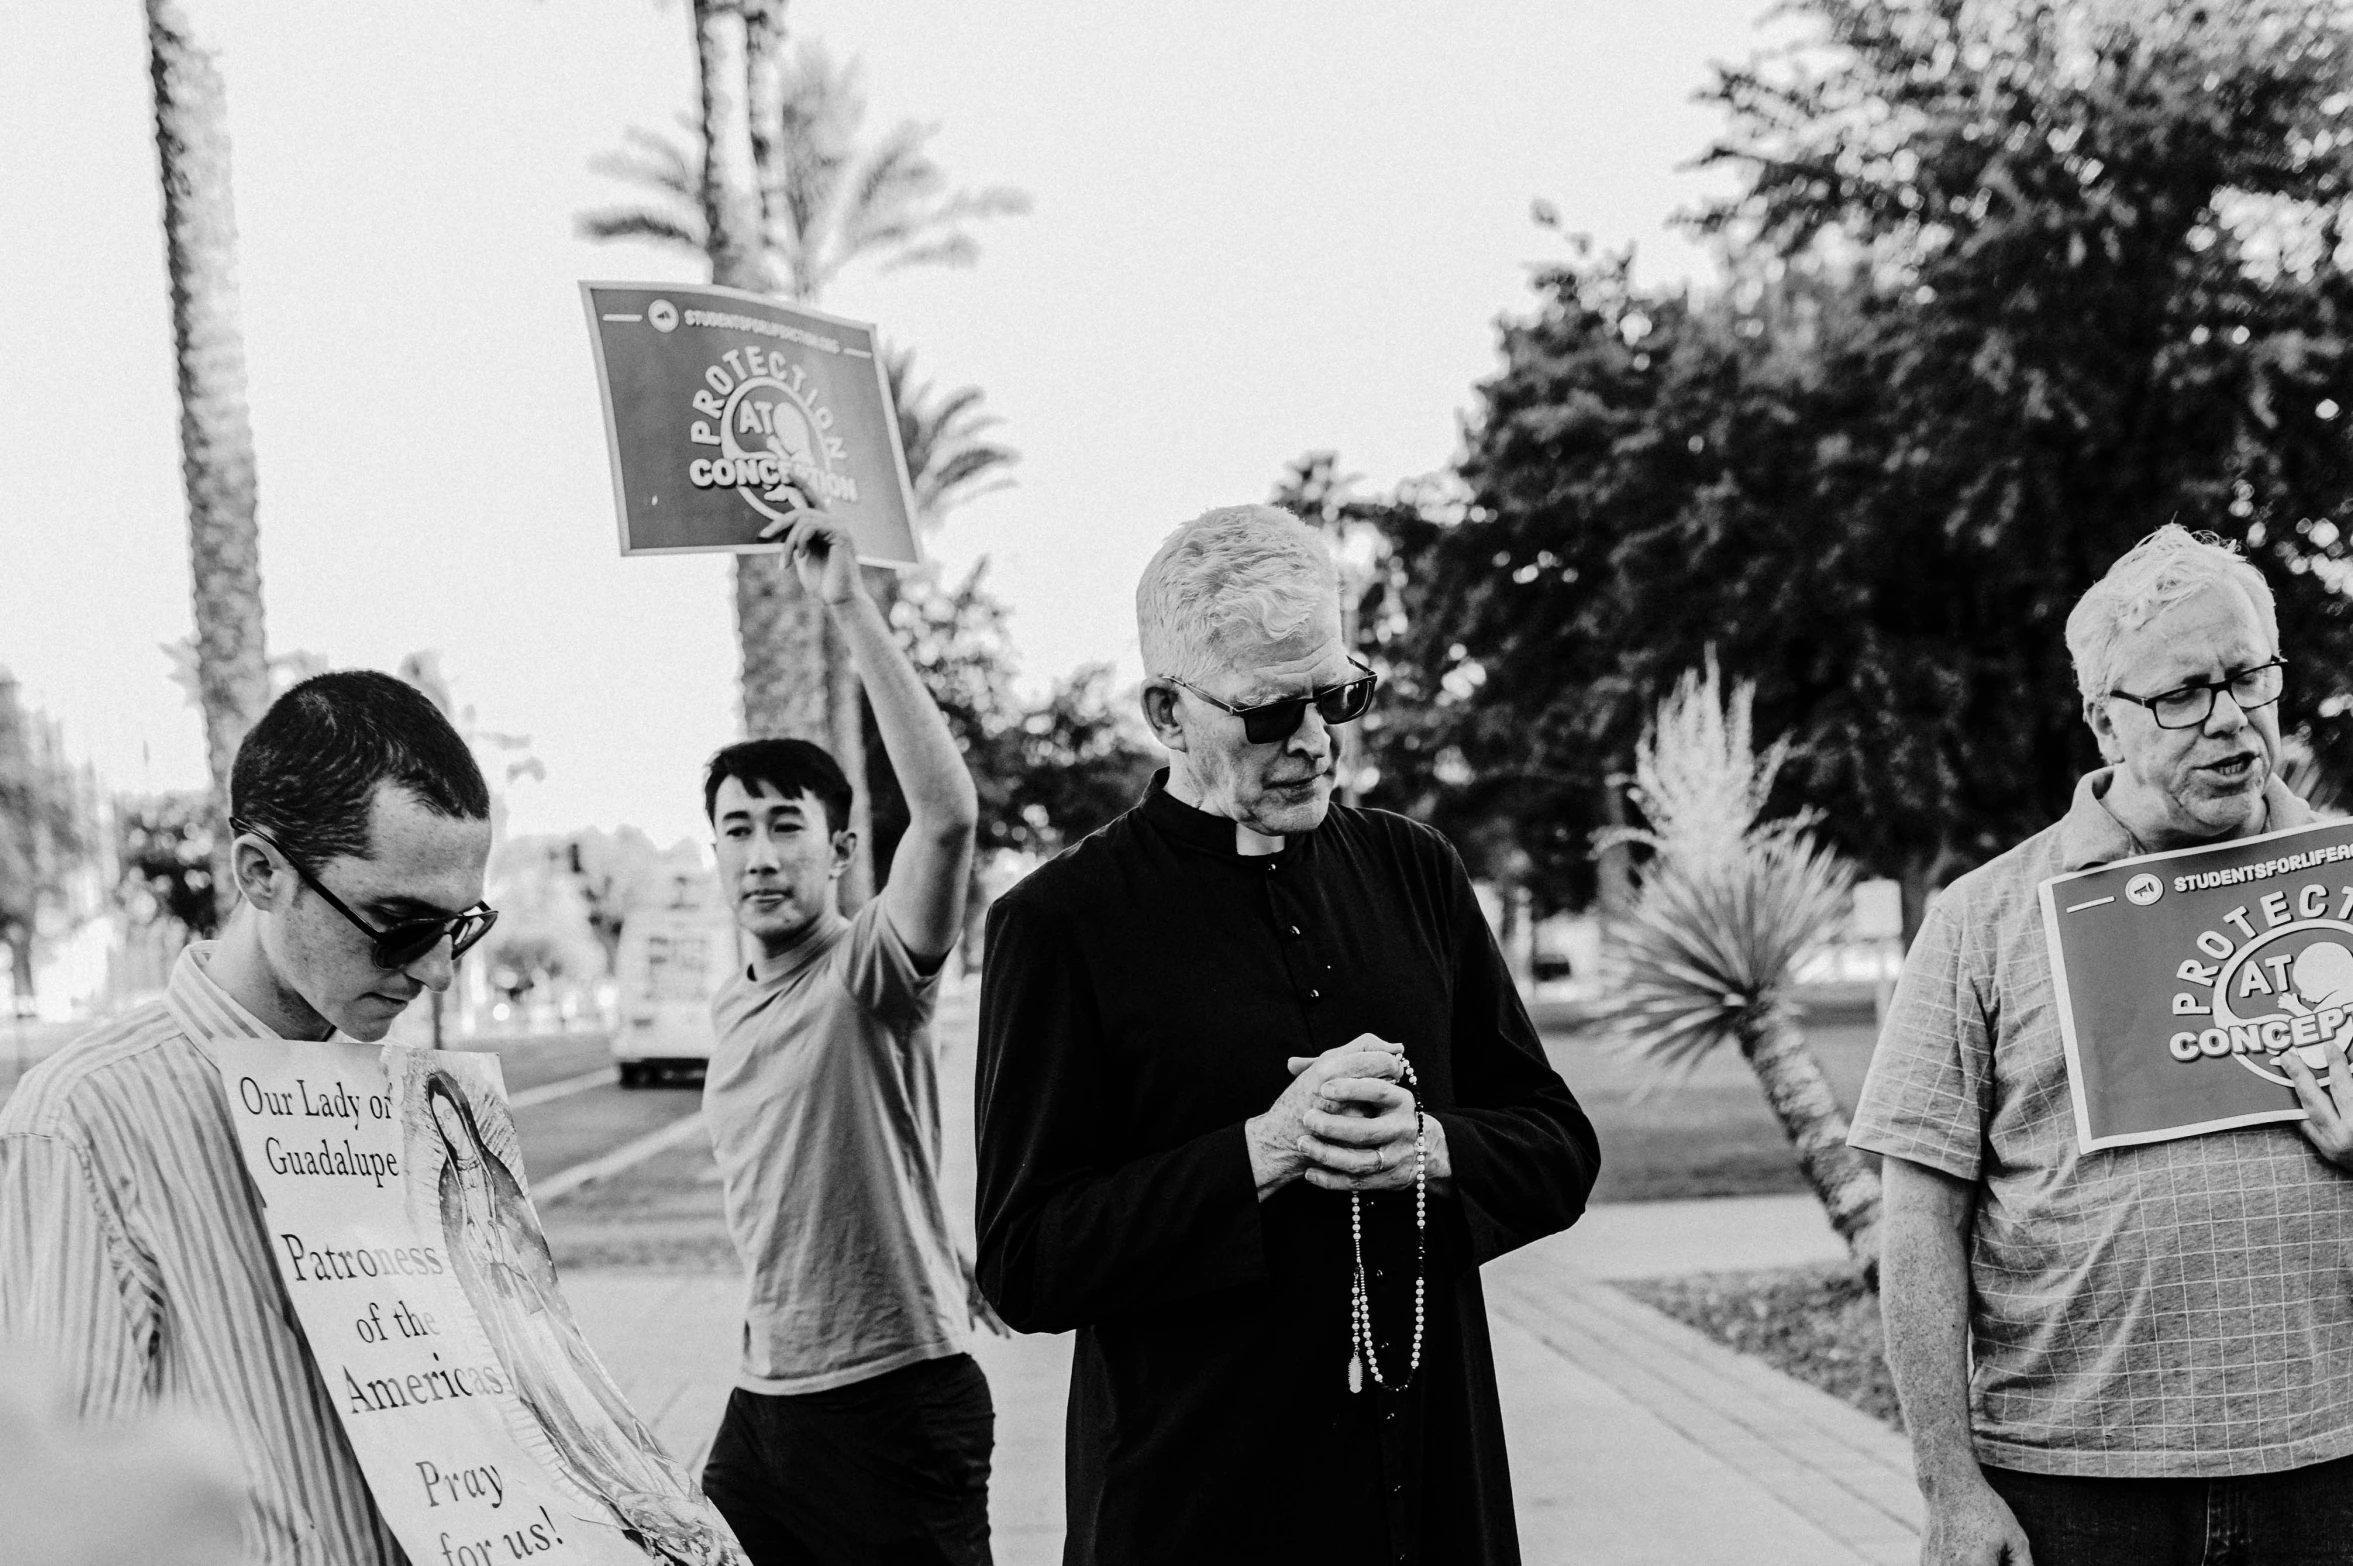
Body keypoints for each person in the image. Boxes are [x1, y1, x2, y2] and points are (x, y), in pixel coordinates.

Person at [974, 504, 1600, 1565]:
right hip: (1196, 1508)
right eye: (1268, 714)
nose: (1313, 742)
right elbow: (1027, 1261)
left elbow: (1556, 1146)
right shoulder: (1061, 924)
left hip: (1431, 1496)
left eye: (1335, 696)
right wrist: (1263, 1152)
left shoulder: (1416, 872)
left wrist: (1431, 1150)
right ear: (1167, 715)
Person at [1853, 524, 2353, 1566]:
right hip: (2072, 1485)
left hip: (2330, 1466)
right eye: (2181, 695)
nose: (2229, 722)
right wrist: (1949, 1486)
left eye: (2249, 679)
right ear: (2103, 723)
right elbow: (1915, 1218)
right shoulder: (1979, 919)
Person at [0, 669, 499, 1563]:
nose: (436, 972)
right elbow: (75, 1513)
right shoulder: (84, 1119)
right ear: (262, 872)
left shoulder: (411, 1105)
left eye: (461, 926)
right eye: (398, 923)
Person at [694, 510, 992, 1565]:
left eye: (787, 827)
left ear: (841, 849)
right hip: (764, 1401)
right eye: (738, 829)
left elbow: (948, 816)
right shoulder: (728, 1005)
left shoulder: (867, 972)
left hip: (892, 1403)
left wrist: (847, 602)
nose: (761, 855)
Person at [419, 1072, 734, 1566]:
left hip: (525, 1310)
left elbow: (521, 1238)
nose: (453, 1134)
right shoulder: (448, 1184)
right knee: (539, 1409)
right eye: (441, 1126)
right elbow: (458, 1248)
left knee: (577, 1410)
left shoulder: (492, 1171)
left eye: (453, 1122)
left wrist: (513, 1270)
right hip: (499, 1316)